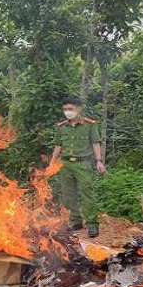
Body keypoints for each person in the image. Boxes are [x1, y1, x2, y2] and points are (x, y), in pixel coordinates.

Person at [49, 97, 106, 238]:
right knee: (68, 195)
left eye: (70, 109)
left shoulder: (89, 125)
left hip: (83, 164)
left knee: (87, 193)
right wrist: (52, 162)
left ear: (78, 109)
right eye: (65, 109)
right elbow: (58, 145)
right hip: (65, 164)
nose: (67, 112)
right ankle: (75, 221)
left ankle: (92, 224)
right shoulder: (62, 127)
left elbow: (95, 143)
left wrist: (99, 160)